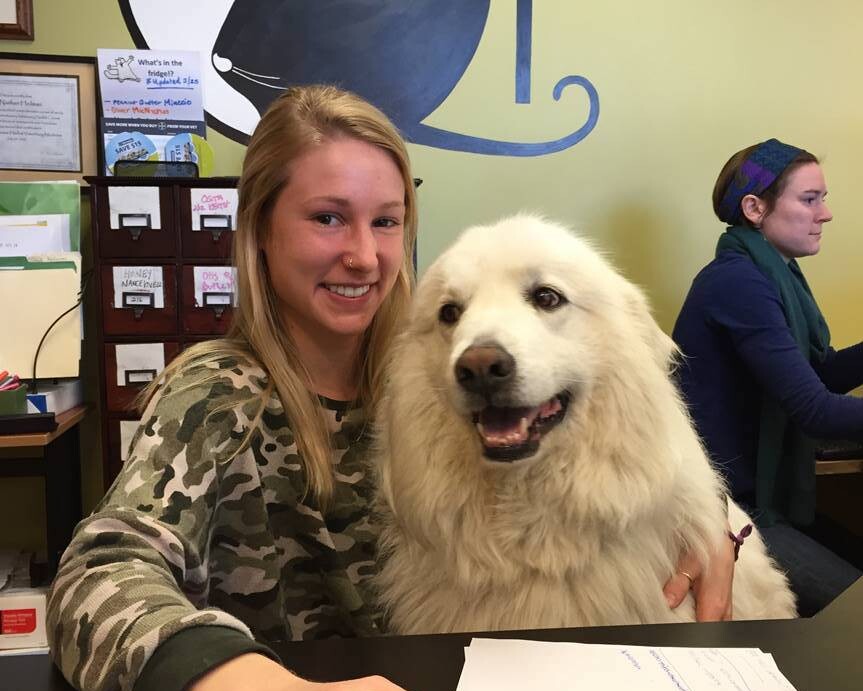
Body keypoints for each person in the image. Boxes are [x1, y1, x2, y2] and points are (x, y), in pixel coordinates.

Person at [47, 85, 735, 691]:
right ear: (259, 230)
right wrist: (246, 680)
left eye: (385, 220)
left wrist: (710, 520)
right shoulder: (220, 392)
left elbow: (615, 446)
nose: (363, 254)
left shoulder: (421, 372)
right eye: (327, 217)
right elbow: (99, 575)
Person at [673, 138, 863, 617]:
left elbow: (818, 375)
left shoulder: (776, 272)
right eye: (810, 199)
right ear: (755, 208)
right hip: (729, 508)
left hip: (756, 497)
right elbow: (815, 410)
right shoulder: (738, 281)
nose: (826, 214)